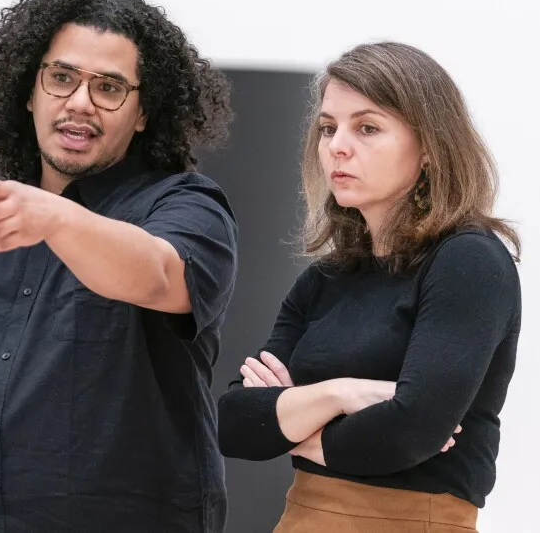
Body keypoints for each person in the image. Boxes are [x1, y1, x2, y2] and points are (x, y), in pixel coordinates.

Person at [0, 0, 238, 533]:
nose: (79, 102)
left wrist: (55, 217)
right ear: (29, 92)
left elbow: (158, 276)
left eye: (109, 87)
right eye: (61, 78)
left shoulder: (186, 207)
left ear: (143, 113)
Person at [217, 41, 521, 532]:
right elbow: (234, 424)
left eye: (367, 127)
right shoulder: (325, 278)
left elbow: (407, 433)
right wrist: (343, 393)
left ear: (428, 147)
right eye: (327, 127)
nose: (337, 145)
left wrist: (290, 426)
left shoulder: (468, 260)